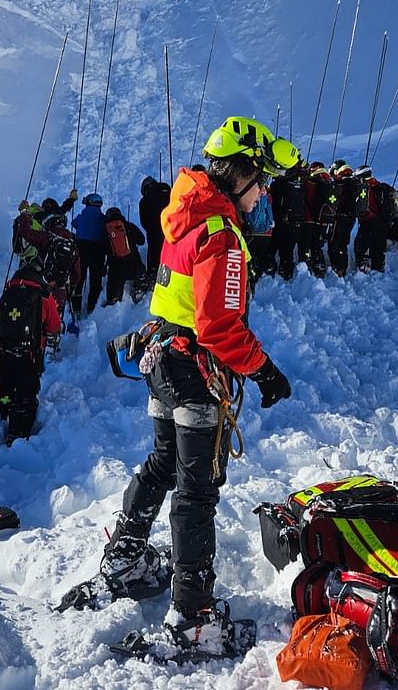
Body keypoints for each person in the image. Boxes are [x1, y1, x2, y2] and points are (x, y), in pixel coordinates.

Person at [99, 116, 298, 657]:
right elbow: (219, 326)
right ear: (239, 173)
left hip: (163, 360)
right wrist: (265, 371)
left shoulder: (185, 216)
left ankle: (126, 557)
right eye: (260, 181)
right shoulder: (221, 236)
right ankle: (193, 616)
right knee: (197, 488)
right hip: (194, 373)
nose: (263, 194)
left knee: (163, 464)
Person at [0, 256, 61, 444]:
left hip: (5, 350)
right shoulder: (43, 293)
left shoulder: (9, 290)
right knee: (26, 392)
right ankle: (18, 432)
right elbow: (54, 326)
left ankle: (1, 413)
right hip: (29, 354)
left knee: (6, 388)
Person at [71, 193, 108, 314]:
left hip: (81, 248)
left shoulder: (81, 217)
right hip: (97, 251)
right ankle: (92, 306)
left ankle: (75, 306)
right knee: (95, 279)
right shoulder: (103, 218)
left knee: (79, 278)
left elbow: (73, 224)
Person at [270, 161, 306, 279]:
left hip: (280, 220)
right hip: (297, 221)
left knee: (274, 245)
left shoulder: (278, 184)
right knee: (288, 249)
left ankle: (271, 268)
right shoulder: (301, 184)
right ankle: (286, 270)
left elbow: (274, 203)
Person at [103, 207, 145, 305]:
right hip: (133, 264)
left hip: (116, 267)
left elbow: (103, 249)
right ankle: (138, 290)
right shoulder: (129, 226)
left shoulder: (106, 230)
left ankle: (113, 299)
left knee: (114, 282)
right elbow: (142, 240)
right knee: (140, 271)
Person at [352, 165, 386, 272]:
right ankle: (379, 268)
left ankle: (363, 267)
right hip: (382, 221)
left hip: (368, 220)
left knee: (360, 245)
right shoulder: (378, 185)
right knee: (377, 248)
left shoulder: (364, 186)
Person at [138, 176, 170, 282]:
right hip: (172, 231)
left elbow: (144, 222)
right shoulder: (169, 192)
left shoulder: (144, 201)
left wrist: (152, 230)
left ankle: (153, 277)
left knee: (154, 256)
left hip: (154, 233)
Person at [327, 162, 356, 277]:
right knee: (343, 242)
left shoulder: (340, 182)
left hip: (340, 217)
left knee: (335, 242)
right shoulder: (353, 180)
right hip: (352, 217)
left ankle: (338, 268)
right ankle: (342, 267)